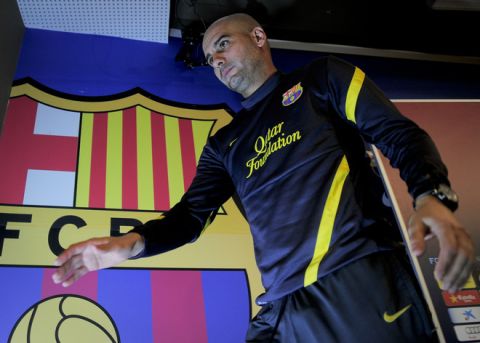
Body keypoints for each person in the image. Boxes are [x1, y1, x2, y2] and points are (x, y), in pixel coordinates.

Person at [53, 13, 475, 342]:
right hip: (280, 308)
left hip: (355, 277)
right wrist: (128, 246)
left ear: (258, 38)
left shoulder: (322, 78)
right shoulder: (225, 143)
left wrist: (429, 194)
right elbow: (189, 217)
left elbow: (397, 133)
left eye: (223, 45)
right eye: (210, 57)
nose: (216, 60)